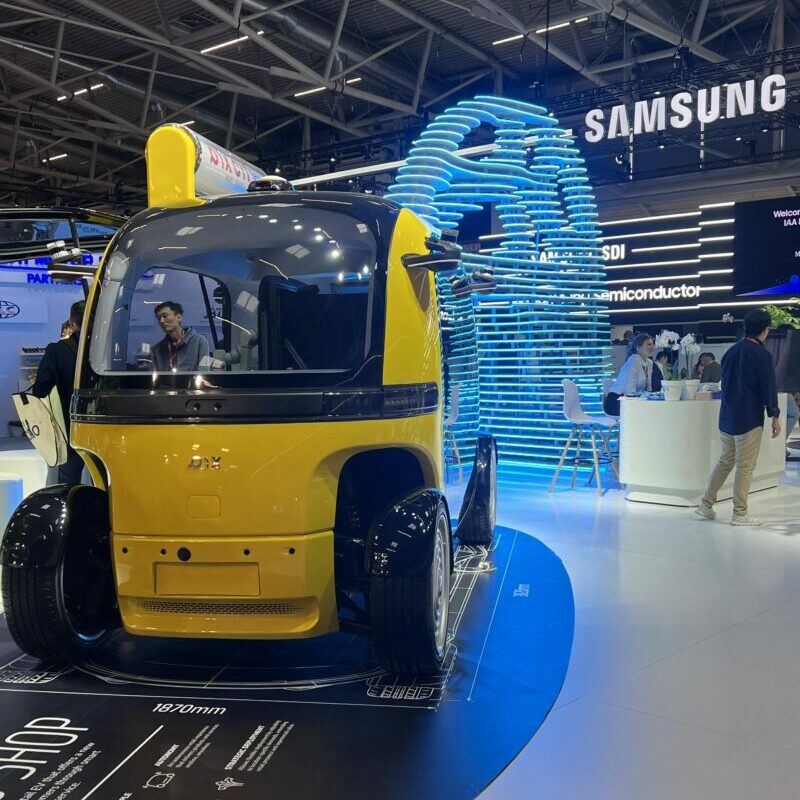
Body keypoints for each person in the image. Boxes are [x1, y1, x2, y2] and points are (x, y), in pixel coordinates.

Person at [695, 309, 781, 526]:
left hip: (727, 417)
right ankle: (740, 513)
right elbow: (768, 387)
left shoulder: (730, 352)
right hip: (749, 419)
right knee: (745, 467)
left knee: (725, 461)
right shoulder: (762, 355)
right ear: (766, 330)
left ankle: (706, 504)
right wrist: (774, 415)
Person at [32, 300, 86, 485]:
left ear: (72, 323)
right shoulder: (109, 350)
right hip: (105, 432)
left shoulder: (57, 350)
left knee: (68, 485)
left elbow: (40, 390)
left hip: (69, 430)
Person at [604, 333, 655, 416]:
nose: (652, 347)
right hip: (618, 400)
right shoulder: (633, 361)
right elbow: (630, 391)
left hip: (633, 400)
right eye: (649, 344)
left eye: (653, 344)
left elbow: (648, 388)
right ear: (638, 348)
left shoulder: (649, 363)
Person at [150, 301, 209, 372]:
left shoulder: (199, 342)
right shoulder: (157, 349)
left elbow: (204, 373)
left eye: (165, 316)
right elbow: (154, 376)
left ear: (179, 317)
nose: (161, 321)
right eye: (159, 318)